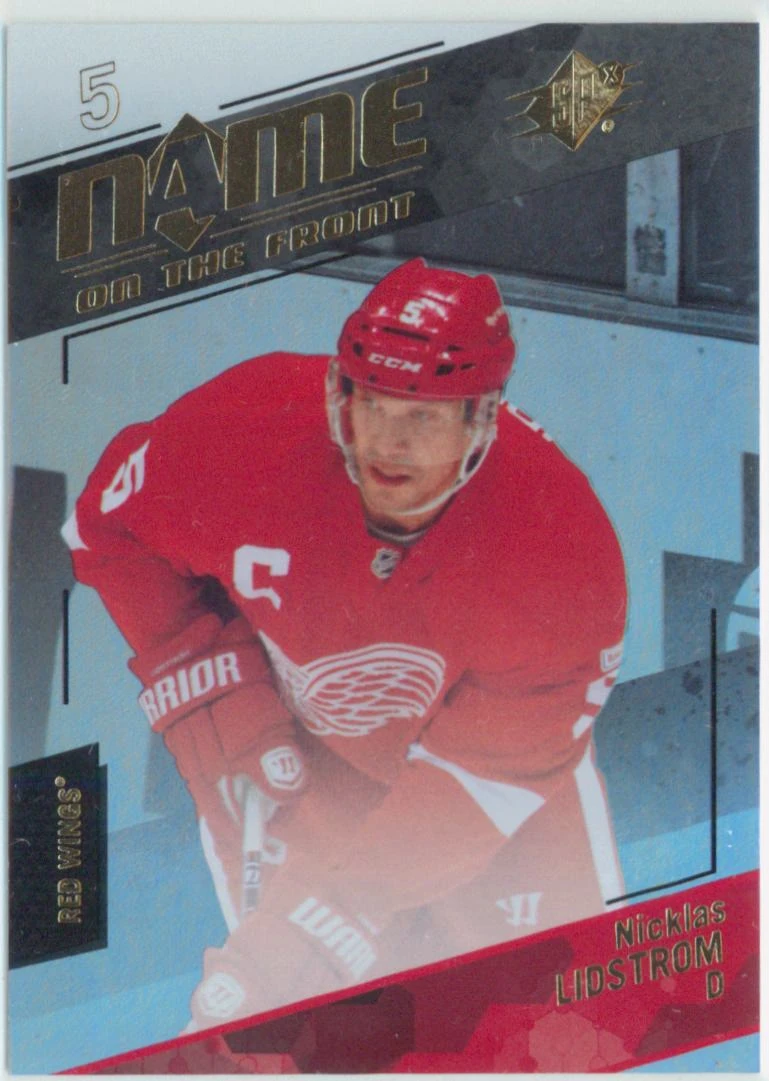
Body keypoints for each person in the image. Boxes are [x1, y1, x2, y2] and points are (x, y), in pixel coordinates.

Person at [63, 258, 627, 1031]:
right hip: (301, 758)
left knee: (565, 1033)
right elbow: (106, 528)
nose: (389, 443)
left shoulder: (559, 552)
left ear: (482, 419)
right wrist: (214, 696)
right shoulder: (246, 428)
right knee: (297, 1028)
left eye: (424, 417)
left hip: (495, 801)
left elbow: (482, 781)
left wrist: (326, 917)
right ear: (338, 392)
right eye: (373, 404)